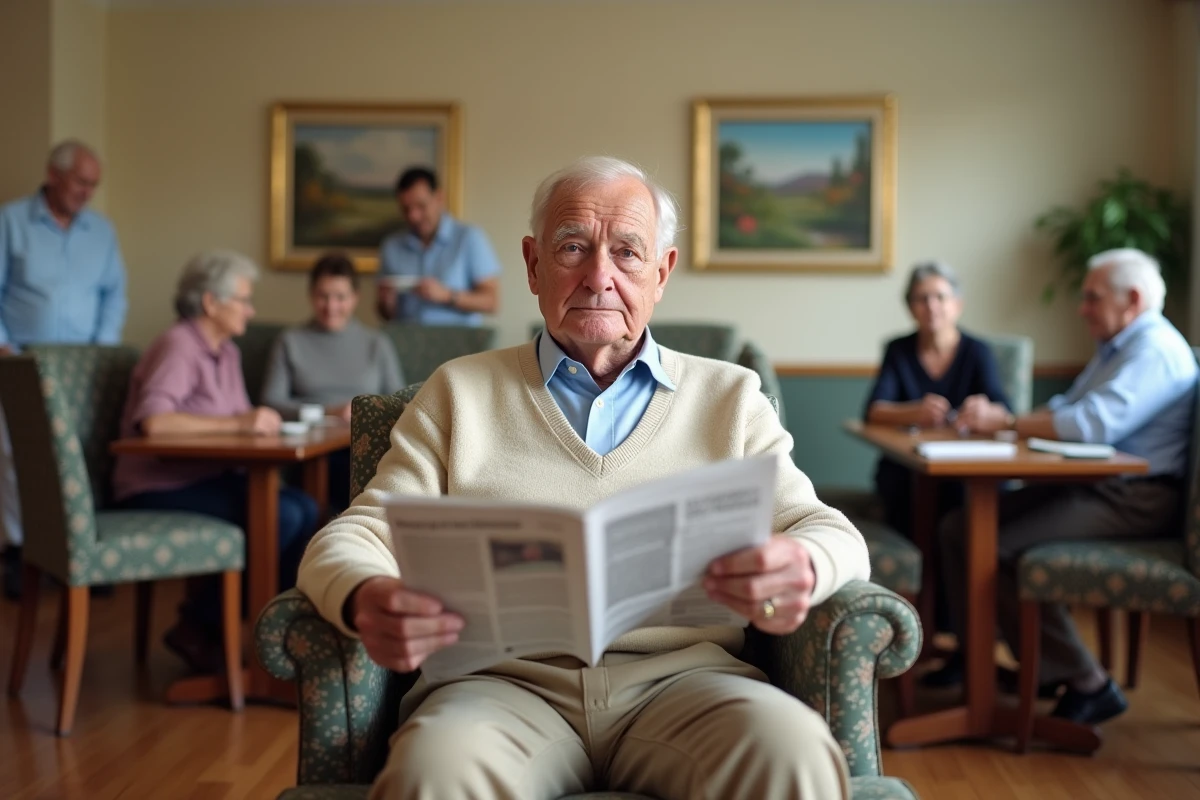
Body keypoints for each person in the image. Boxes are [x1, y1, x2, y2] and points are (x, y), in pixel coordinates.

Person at [298, 157, 870, 799]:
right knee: (435, 771)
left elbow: (829, 530)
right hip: (496, 689)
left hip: (688, 686)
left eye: (628, 252)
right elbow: (355, 534)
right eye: (573, 247)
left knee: (791, 751)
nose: (599, 276)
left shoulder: (730, 398)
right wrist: (364, 593)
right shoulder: (458, 392)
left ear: (663, 271)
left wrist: (804, 563)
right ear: (533, 263)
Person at [932, 248, 1197, 725]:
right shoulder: (1118, 347)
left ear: (1132, 299)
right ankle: (987, 666)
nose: (1082, 308)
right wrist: (1009, 424)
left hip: (1139, 497)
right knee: (960, 526)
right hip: (1097, 487)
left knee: (998, 545)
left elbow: (1090, 425)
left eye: (1092, 297)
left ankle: (1088, 682)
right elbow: (1068, 405)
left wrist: (1007, 421)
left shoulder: (1154, 350)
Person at [111, 250, 318, 672]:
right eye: (243, 299)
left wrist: (256, 426)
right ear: (210, 302)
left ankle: (241, 633)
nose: (251, 309)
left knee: (305, 509)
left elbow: (240, 425)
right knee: (279, 515)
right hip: (157, 487)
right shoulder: (179, 346)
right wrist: (242, 423)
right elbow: (155, 423)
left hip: (206, 479)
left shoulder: (227, 353)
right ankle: (199, 625)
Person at [0, 139, 128, 600]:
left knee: (84, 454)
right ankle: (19, 551)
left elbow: (114, 294)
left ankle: (84, 553)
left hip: (84, 365)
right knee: (18, 457)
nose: (87, 192)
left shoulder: (102, 232)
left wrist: (103, 349)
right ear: (54, 175)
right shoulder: (11, 221)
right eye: (80, 182)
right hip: (20, 360)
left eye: (94, 184)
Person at [864, 261, 1011, 536]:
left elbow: (1005, 410)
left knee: (969, 505)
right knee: (901, 492)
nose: (931, 306)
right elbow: (873, 411)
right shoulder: (898, 350)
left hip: (967, 471)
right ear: (910, 308)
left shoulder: (978, 351)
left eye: (940, 297)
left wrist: (984, 411)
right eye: (922, 298)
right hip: (907, 471)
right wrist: (914, 412)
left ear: (958, 304)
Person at [261, 252, 406, 511]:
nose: (331, 306)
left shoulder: (377, 344)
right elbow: (271, 401)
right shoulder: (290, 341)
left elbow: (401, 401)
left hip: (362, 448)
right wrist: (325, 412)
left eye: (340, 297)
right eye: (322, 296)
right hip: (308, 448)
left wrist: (363, 413)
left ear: (355, 298)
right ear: (310, 295)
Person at [376, 167, 501, 326]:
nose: (413, 216)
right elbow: (385, 314)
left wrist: (447, 295)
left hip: (460, 343)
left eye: (421, 206)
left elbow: (492, 302)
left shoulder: (469, 238)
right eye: (406, 209)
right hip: (406, 343)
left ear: (439, 198)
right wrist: (386, 303)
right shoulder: (391, 246)